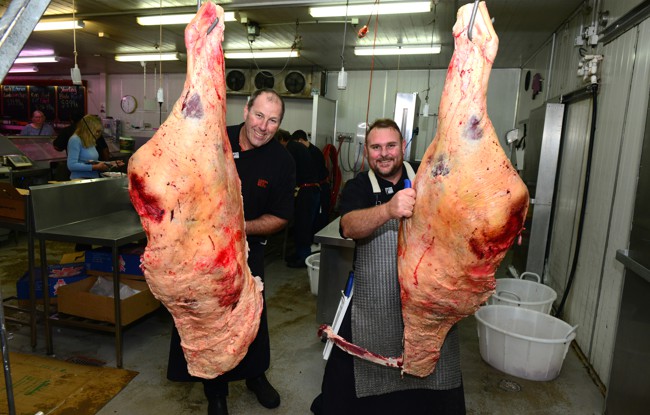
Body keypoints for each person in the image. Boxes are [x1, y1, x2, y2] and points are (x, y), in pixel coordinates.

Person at [310, 119, 466, 415]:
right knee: (349, 373)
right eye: (376, 147)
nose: (384, 154)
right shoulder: (358, 186)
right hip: (374, 295)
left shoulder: (429, 177)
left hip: (428, 295)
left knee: (437, 367)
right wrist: (388, 210)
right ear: (366, 151)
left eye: (391, 146)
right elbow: (348, 226)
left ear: (403, 146)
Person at [166, 88, 296, 415]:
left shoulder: (282, 161)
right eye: (259, 115)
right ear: (246, 111)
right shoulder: (214, 141)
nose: (263, 126)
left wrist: (238, 228)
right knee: (209, 322)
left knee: (251, 318)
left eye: (273, 120)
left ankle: (255, 376)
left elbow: (281, 216)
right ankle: (216, 392)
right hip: (203, 251)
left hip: (248, 253)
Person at [277, 129, 321, 268]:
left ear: (282, 139)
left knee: (303, 225)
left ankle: (304, 257)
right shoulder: (297, 147)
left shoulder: (291, 149)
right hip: (311, 189)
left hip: (307, 190)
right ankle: (300, 253)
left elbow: (287, 172)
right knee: (303, 225)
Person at [292, 129, 331, 234]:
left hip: (320, 188)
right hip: (316, 187)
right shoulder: (311, 151)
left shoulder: (313, 153)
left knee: (318, 219)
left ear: (300, 140)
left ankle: (318, 240)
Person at [67, 114, 122, 179]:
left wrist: (110, 164)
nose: (97, 134)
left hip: (93, 179)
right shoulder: (75, 140)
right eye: (96, 131)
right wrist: (95, 167)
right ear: (88, 129)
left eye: (99, 131)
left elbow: (94, 162)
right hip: (80, 180)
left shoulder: (90, 140)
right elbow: (72, 165)